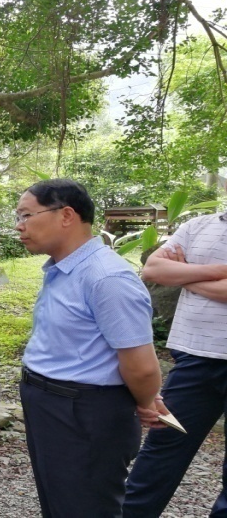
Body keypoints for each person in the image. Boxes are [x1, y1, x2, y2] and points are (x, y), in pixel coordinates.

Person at [15, 179, 161, 518]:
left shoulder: (106, 278)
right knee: (59, 500)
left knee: (84, 506)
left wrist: (145, 400)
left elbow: (140, 366)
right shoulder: (63, 269)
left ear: (66, 215)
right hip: (52, 402)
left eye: (26, 215)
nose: (19, 226)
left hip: (84, 411)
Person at [124, 205, 227, 516]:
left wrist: (184, 276)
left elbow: (169, 275)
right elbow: (153, 271)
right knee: (163, 446)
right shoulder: (199, 225)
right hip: (194, 356)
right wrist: (216, 273)